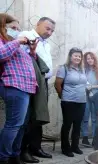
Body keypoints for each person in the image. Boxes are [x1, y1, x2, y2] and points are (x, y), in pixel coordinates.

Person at [0, 13, 38, 164]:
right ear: (3, 27)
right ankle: (3, 157)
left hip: (26, 88)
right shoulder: (5, 42)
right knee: (13, 125)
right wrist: (17, 41)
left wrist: (33, 52)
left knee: (21, 125)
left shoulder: (15, 45)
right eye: (13, 27)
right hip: (13, 85)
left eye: (18, 28)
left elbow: (28, 63)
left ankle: (15, 155)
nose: (17, 30)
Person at [19, 16, 55, 161]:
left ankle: (36, 147)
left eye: (52, 30)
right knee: (28, 117)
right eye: (47, 28)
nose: (50, 32)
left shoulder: (47, 44)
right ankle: (23, 150)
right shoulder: (26, 36)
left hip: (43, 83)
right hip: (30, 82)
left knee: (38, 117)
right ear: (38, 24)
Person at [54, 48, 87, 157]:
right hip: (68, 101)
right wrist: (62, 96)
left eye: (79, 56)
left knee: (77, 125)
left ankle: (75, 146)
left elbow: (84, 84)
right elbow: (57, 84)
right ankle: (65, 148)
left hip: (82, 102)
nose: (77, 58)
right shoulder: (64, 68)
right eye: (75, 56)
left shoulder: (82, 69)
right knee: (67, 125)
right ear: (70, 57)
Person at [81, 52, 98, 146]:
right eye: (87, 58)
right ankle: (85, 138)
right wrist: (86, 88)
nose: (90, 60)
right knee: (85, 117)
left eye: (91, 58)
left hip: (95, 97)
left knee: (94, 118)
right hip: (85, 96)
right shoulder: (83, 70)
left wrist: (92, 87)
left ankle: (95, 138)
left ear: (94, 59)